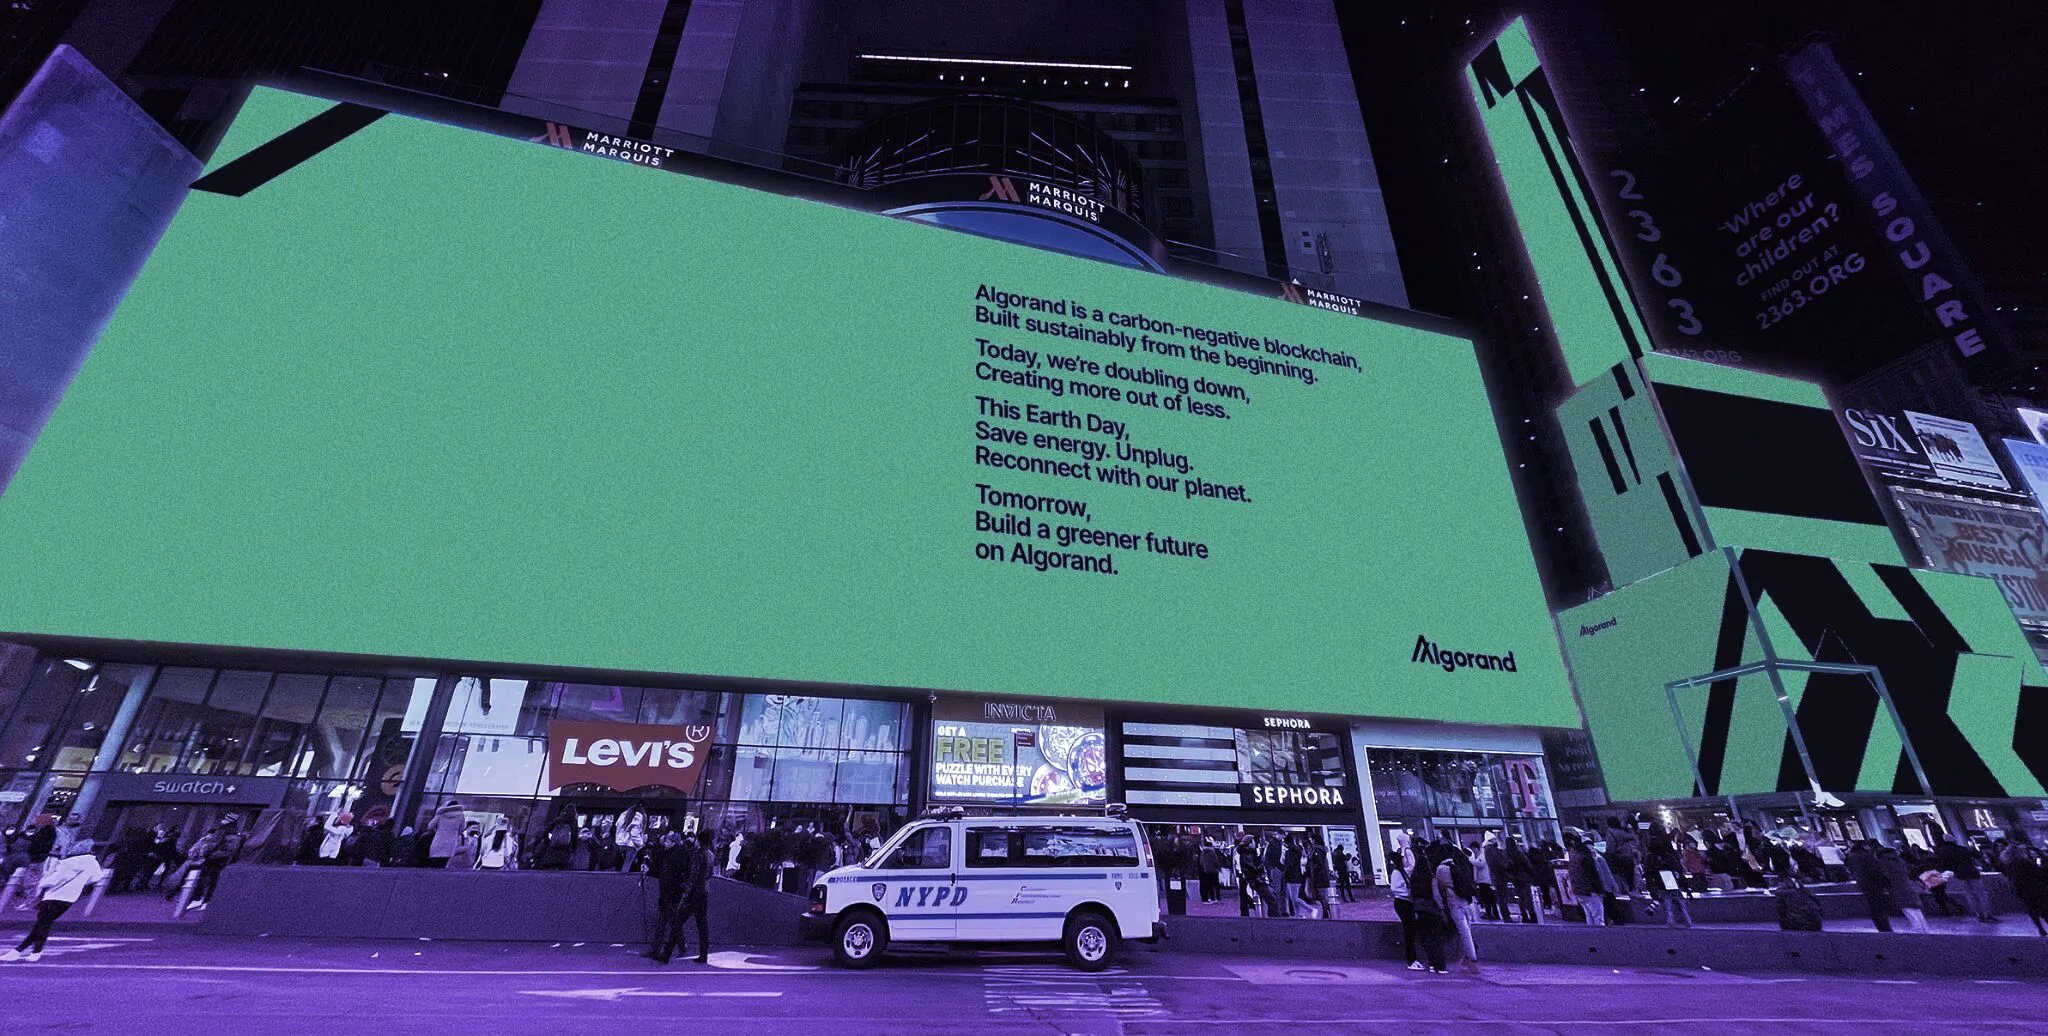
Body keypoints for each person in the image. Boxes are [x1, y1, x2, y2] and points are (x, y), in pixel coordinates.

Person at [2, 840, 104, 962]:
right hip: (70, 898)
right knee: (42, 924)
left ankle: (34, 952)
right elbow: (96, 878)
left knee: (43, 925)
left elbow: (55, 879)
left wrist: (42, 883)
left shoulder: (67, 862)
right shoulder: (93, 863)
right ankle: (20, 951)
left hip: (54, 895)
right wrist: (79, 882)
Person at [652, 831, 712, 965]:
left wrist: (686, 892)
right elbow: (707, 874)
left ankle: (666, 954)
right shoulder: (709, 855)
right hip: (703, 893)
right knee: (702, 926)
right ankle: (704, 955)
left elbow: (693, 875)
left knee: (677, 922)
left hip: (693, 894)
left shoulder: (697, 855)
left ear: (699, 840)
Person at [1433, 843, 1480, 974]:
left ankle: (1472, 959)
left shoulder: (1441, 868)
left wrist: (1442, 906)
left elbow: (1440, 888)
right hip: (1465, 900)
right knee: (1467, 929)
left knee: (1463, 931)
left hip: (1453, 902)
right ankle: (1466, 958)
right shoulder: (1459, 864)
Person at [1934, 835, 1994, 922]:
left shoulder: (1943, 852)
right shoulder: (1962, 849)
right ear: (1954, 840)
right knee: (1981, 895)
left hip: (1960, 875)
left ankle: (1979, 915)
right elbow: (1977, 855)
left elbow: (1943, 865)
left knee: (1970, 895)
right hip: (1972, 873)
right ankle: (1987, 914)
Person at [190, 817, 247, 909]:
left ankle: (203, 900)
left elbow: (228, 851)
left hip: (217, 861)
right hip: (213, 861)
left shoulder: (230, 837)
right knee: (207, 879)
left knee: (211, 880)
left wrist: (209, 853)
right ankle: (200, 899)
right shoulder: (224, 836)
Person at [1408, 850, 1449, 974]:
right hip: (1432, 910)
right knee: (1437, 939)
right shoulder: (1431, 879)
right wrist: (1442, 909)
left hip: (1419, 910)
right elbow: (1436, 896)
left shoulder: (1413, 879)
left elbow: (1411, 895)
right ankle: (1440, 966)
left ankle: (1431, 964)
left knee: (1426, 939)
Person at [1998, 839, 2048, 936]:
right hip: (2034, 887)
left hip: (2020, 890)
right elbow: (2037, 873)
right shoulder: (2023, 862)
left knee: (2031, 909)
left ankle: (2040, 928)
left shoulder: (2007, 864)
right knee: (2044, 908)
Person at [1877, 845, 1928, 933]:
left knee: (1908, 911)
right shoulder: (1899, 861)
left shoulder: (1884, 863)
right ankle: (1925, 929)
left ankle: (1919, 931)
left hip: (1896, 889)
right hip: (1907, 887)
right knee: (1916, 909)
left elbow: (1885, 877)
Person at [1566, 833, 1606, 926]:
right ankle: (1601, 936)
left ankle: (1592, 936)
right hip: (1590, 891)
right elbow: (1593, 875)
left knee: (1589, 915)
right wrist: (1599, 889)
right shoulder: (1585, 857)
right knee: (1598, 916)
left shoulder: (1574, 856)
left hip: (1579, 890)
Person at [1388, 859, 1421, 970]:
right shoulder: (1399, 872)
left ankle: (1412, 959)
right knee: (1409, 931)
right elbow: (1395, 889)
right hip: (1403, 901)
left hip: (1405, 902)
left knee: (1410, 930)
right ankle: (1411, 960)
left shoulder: (1402, 871)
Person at [426, 801, 467, 868]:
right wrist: (456, 833)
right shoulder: (461, 815)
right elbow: (463, 828)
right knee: (443, 863)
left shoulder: (441, 814)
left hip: (438, 840)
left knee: (434, 863)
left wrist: (437, 829)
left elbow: (430, 826)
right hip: (451, 842)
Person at [1198, 840, 1222, 904]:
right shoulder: (1213, 853)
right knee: (1216, 885)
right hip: (1214, 871)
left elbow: (1201, 862)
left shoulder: (1203, 853)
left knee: (1209, 885)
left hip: (1206, 871)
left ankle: (1211, 898)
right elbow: (1216, 862)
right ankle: (1217, 898)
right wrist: (1217, 867)